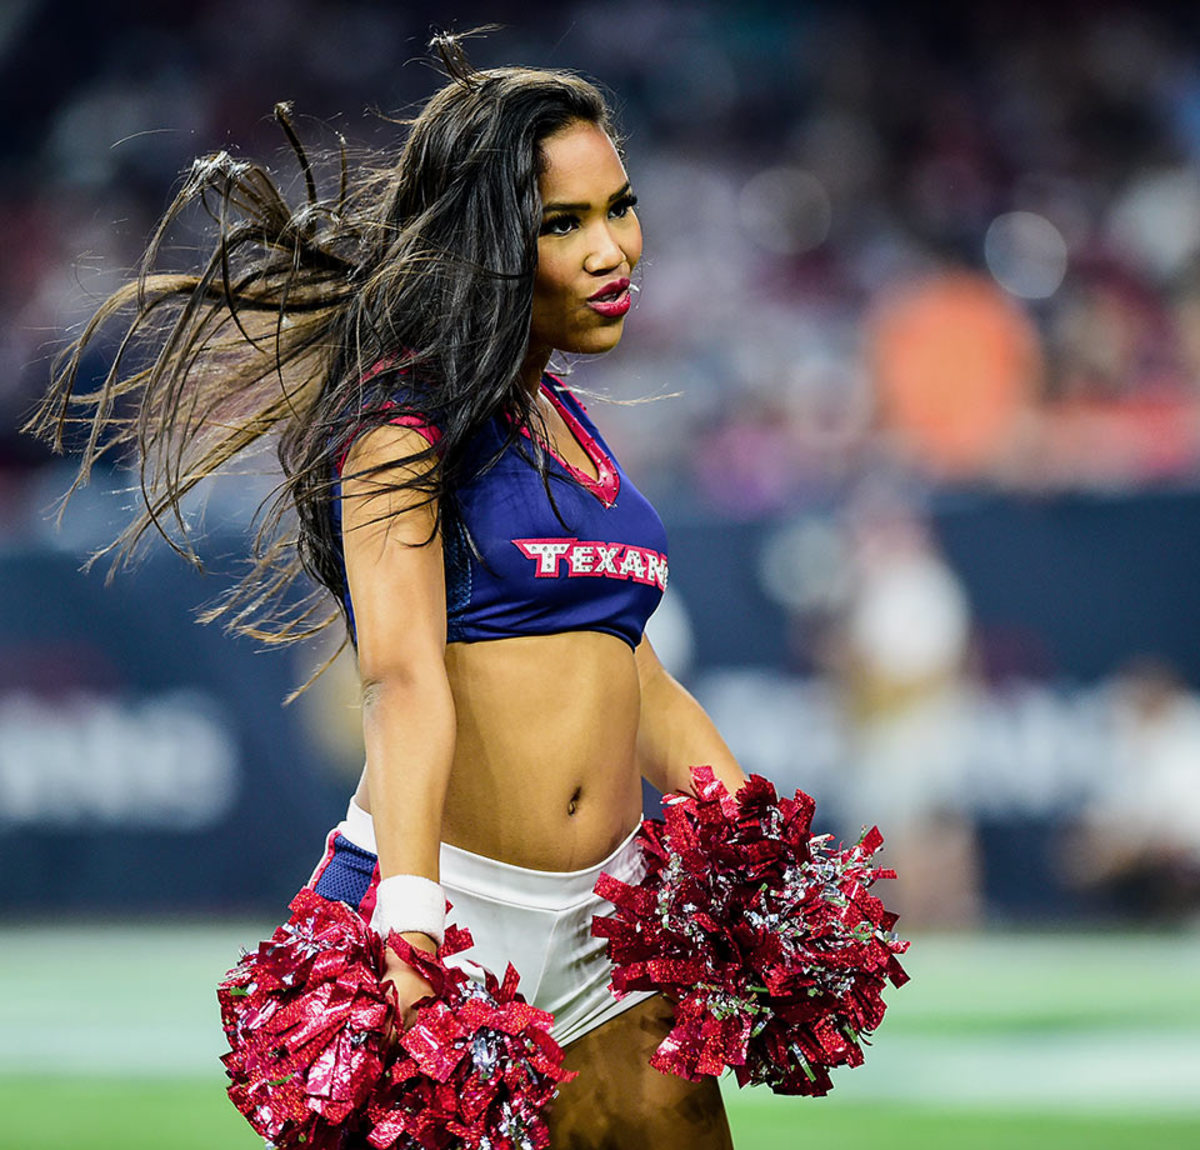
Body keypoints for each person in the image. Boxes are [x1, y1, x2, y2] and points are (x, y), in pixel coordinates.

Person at [26, 32, 746, 1148]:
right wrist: (410, 920)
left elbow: (632, 674)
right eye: (563, 223)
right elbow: (402, 680)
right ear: (488, 242)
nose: (613, 250)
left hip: (607, 926)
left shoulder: (569, 424)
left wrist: (752, 837)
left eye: (620, 208)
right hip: (448, 913)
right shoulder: (398, 427)